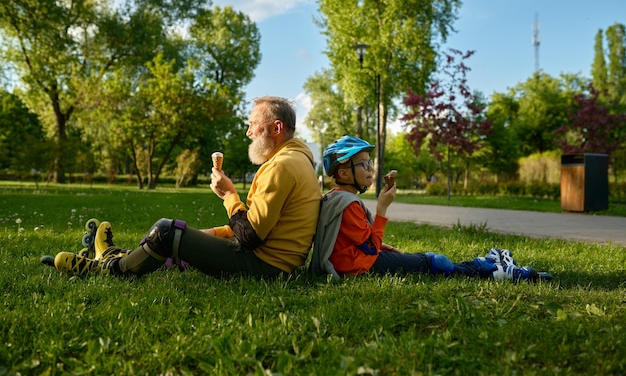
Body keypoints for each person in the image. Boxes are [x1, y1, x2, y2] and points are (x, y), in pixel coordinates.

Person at [53, 96, 322, 278]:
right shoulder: (297, 160)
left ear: (276, 128)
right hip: (278, 262)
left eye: (253, 124)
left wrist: (229, 194)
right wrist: (211, 234)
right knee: (182, 235)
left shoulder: (281, 167)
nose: (248, 132)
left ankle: (111, 269)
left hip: (265, 266)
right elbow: (260, 225)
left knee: (167, 231)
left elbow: (251, 236)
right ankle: (119, 255)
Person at [310, 135, 552, 282]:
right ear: (343, 173)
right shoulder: (348, 204)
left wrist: (384, 247)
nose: (370, 169)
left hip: (356, 261)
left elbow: (354, 240)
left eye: (370, 162)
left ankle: (486, 263)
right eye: (363, 164)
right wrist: (383, 209)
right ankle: (502, 272)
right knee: (437, 263)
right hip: (360, 267)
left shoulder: (336, 198)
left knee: (432, 262)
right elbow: (369, 248)